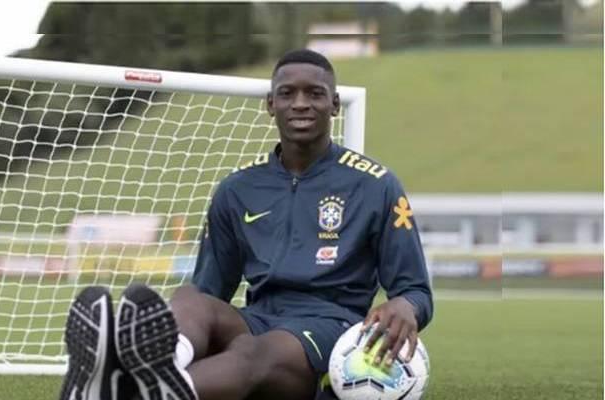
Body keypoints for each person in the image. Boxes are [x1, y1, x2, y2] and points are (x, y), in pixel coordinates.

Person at [59, 49, 433, 400]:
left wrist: (404, 305)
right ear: (271, 105)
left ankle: (126, 389)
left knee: (251, 352)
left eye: (315, 94)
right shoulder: (237, 188)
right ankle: (147, 367)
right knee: (190, 299)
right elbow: (210, 290)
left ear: (334, 104)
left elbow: (416, 290)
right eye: (287, 93)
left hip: (327, 328)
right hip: (257, 316)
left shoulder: (375, 184)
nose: (301, 103)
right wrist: (192, 320)